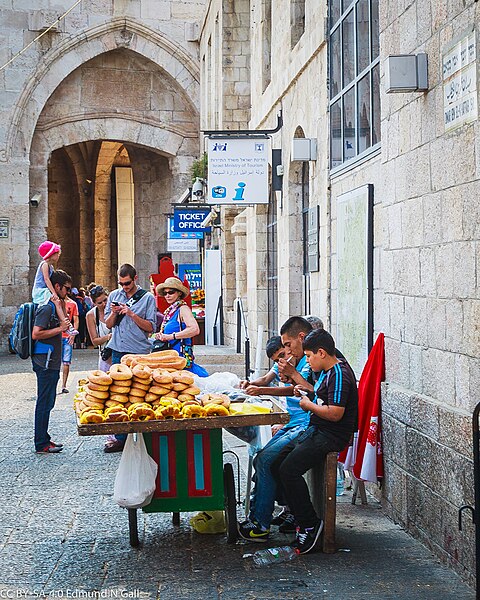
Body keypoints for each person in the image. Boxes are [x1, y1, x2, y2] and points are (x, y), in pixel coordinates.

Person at [271, 329, 358, 554]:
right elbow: (321, 398)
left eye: (309, 357)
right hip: (316, 429)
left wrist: (309, 406)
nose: (307, 361)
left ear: (321, 353)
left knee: (289, 470)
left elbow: (335, 413)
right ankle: (297, 516)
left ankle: (310, 524)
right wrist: (307, 395)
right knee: (275, 461)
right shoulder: (327, 373)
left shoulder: (339, 373)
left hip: (330, 435)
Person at [238, 334, 312, 542]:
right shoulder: (292, 362)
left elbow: (304, 391)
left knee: (265, 460)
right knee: (263, 459)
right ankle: (267, 514)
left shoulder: (308, 363)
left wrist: (290, 375)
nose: (287, 354)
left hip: (303, 425)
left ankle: (260, 524)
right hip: (293, 423)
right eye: (285, 350)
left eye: (288, 348)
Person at [104, 264, 157, 453]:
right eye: (121, 283)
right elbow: (108, 325)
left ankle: (146, 434)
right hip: (119, 350)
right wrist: (114, 313)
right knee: (119, 394)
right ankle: (120, 438)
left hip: (140, 351)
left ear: (135, 279)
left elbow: (151, 327)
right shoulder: (114, 296)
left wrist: (131, 313)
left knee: (141, 393)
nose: (124, 287)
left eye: (127, 283)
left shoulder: (148, 298)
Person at [31, 269, 72, 453]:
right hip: (45, 362)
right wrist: (60, 329)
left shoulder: (54, 306)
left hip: (51, 361)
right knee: (44, 402)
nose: (68, 293)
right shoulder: (46, 308)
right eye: (66, 289)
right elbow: (36, 333)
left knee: (48, 402)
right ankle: (41, 443)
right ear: (57, 287)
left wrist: (60, 305)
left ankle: (45, 439)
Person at [154, 277, 208, 377]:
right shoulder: (170, 311)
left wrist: (171, 336)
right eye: (165, 293)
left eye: (171, 292)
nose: (167, 295)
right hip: (171, 358)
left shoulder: (183, 309)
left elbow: (194, 329)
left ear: (179, 293)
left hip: (181, 358)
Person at [32, 241, 77, 336]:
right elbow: (46, 279)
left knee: (62, 302)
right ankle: (64, 324)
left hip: (46, 290)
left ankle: (68, 325)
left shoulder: (51, 267)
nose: (58, 255)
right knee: (57, 302)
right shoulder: (44, 264)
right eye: (57, 253)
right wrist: (54, 293)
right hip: (41, 290)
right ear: (51, 254)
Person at [85, 284, 112, 372]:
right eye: (100, 303)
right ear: (94, 303)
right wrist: (108, 337)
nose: (104, 304)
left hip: (120, 354)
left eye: (105, 300)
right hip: (106, 357)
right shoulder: (91, 315)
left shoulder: (115, 309)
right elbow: (94, 341)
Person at [59, 291, 79, 394]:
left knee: (66, 362)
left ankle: (63, 385)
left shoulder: (72, 304)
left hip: (67, 336)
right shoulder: (55, 303)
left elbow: (76, 320)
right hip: (57, 335)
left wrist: (73, 334)